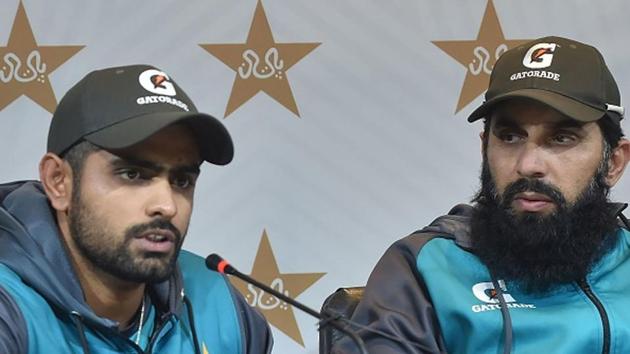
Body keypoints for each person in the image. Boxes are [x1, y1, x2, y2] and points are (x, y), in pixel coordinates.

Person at [331, 36, 630, 354]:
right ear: (484, 147)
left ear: (613, 162)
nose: (528, 165)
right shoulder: (426, 268)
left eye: (561, 138)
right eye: (510, 136)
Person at [0, 65, 273, 353]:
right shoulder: (9, 309)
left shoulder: (219, 304)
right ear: (59, 182)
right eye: (133, 174)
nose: (166, 206)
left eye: (182, 180)